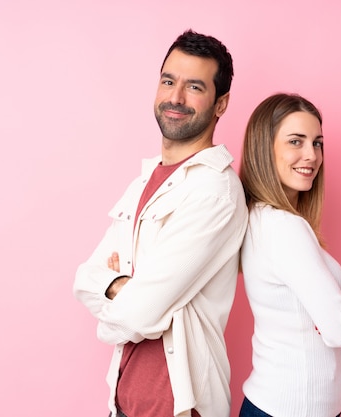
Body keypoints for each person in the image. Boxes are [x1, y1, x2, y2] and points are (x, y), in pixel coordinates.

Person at [73, 30, 248, 417]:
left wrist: (119, 299)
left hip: (179, 409)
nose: (176, 98)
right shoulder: (146, 180)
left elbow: (137, 314)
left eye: (194, 87)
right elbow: (84, 278)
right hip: (123, 402)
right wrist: (127, 292)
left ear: (221, 104)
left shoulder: (214, 191)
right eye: (168, 81)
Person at [238, 93, 341, 417]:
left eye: (317, 143)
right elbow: (339, 330)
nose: (312, 155)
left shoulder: (268, 220)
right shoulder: (284, 229)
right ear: (264, 149)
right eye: (296, 141)